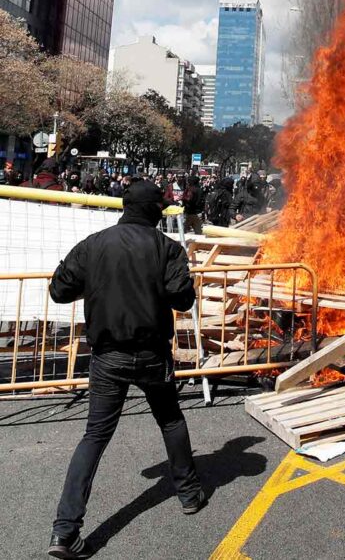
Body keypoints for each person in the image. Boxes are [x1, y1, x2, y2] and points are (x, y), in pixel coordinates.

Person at [46, 181, 205, 559]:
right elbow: (183, 299)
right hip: (152, 354)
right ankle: (188, 493)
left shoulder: (94, 244)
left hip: (108, 356)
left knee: (95, 436)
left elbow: (60, 290)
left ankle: (65, 531)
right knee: (170, 420)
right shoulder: (167, 248)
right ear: (155, 211)